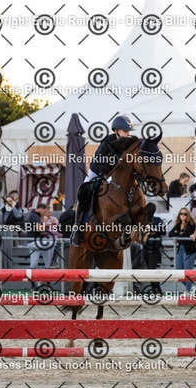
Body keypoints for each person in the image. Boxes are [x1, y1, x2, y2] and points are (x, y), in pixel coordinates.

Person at [71, 115, 137, 246]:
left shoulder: (129, 143)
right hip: (98, 170)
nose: (127, 134)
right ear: (116, 131)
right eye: (125, 131)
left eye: (128, 131)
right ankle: (77, 228)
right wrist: (104, 174)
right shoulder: (108, 141)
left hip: (117, 175)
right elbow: (100, 159)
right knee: (83, 191)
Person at [169, 208, 196, 294]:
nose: (183, 215)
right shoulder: (178, 224)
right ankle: (191, 286)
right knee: (178, 271)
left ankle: (188, 290)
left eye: (185, 214)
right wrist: (179, 234)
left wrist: (177, 234)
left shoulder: (191, 224)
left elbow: (184, 235)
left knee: (187, 271)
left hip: (189, 249)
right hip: (180, 248)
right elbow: (170, 234)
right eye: (181, 214)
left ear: (188, 215)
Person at [26, 203, 55, 279]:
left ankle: (33, 282)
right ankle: (52, 263)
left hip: (32, 242)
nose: (45, 213)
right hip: (35, 242)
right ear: (41, 210)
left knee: (33, 264)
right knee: (54, 243)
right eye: (45, 211)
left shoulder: (31, 215)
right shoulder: (34, 216)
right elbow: (40, 229)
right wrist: (45, 222)